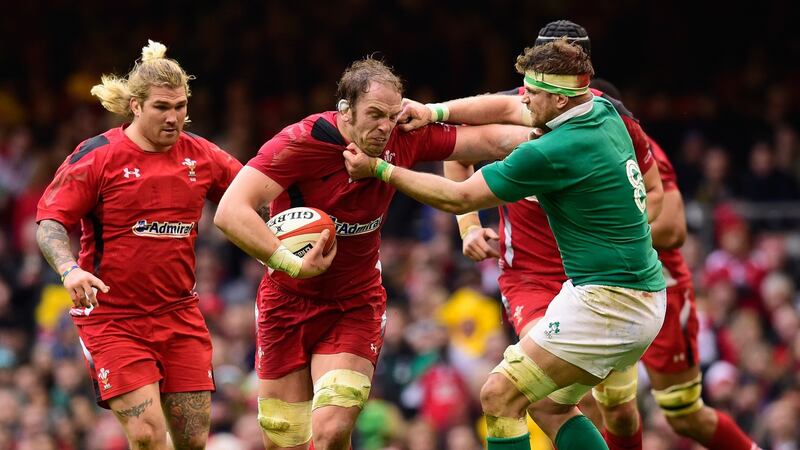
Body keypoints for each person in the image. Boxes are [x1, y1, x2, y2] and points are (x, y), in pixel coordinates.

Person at [399, 19, 759, 450]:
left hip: (604, 288)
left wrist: (383, 170)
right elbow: (469, 140)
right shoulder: (584, 110)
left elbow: (671, 221)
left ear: (569, 82)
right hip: (539, 277)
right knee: (544, 400)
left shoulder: (572, 137)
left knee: (610, 410)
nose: (524, 92)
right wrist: (469, 227)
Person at [343, 40, 667, 450]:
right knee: (550, 406)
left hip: (608, 302)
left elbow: (457, 197)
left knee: (498, 396)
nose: (523, 97)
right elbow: (503, 108)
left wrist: (379, 169)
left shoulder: (553, 152)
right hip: (636, 295)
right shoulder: (603, 113)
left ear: (560, 97)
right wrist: (435, 111)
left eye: (532, 91)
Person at [213, 56, 532, 450]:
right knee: (285, 437)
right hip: (285, 303)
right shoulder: (301, 141)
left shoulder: (402, 137)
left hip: (354, 304)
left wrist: (555, 133)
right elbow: (230, 212)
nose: (384, 126)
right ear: (345, 111)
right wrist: (289, 262)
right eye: (375, 114)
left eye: (392, 115)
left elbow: (488, 140)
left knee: (330, 431)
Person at [35, 40, 245, 450]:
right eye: (161, 108)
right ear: (135, 105)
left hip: (180, 314)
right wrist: (69, 268)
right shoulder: (98, 156)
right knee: (148, 435)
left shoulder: (202, 155)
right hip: (112, 317)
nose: (174, 118)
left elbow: (252, 194)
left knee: (193, 440)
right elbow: (50, 222)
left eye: (181, 106)